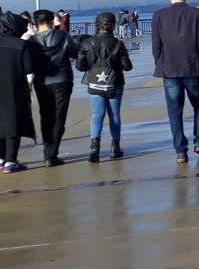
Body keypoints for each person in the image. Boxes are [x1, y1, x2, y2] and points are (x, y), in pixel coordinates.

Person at [151, 0, 199, 164]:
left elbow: (156, 46)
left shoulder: (159, 15)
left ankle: (180, 151)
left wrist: (160, 63)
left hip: (169, 69)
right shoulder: (197, 13)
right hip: (193, 67)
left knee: (174, 110)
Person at [75, 11, 133, 163]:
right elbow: (127, 67)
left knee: (97, 115)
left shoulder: (87, 43)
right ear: (113, 25)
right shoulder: (118, 44)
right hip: (115, 83)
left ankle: (94, 148)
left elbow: (80, 67)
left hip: (94, 83)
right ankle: (115, 148)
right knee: (114, 115)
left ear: (97, 25)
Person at [32, 9, 75, 166]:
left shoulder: (32, 41)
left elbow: (29, 64)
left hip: (42, 82)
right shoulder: (63, 36)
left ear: (36, 23)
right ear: (52, 21)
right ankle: (51, 154)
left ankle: (48, 151)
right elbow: (75, 52)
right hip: (62, 80)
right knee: (59, 118)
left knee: (46, 117)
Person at [0, 11, 41, 173]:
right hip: (13, 88)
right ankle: (11, 161)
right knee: (13, 123)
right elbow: (29, 68)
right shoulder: (20, 45)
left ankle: (1, 158)